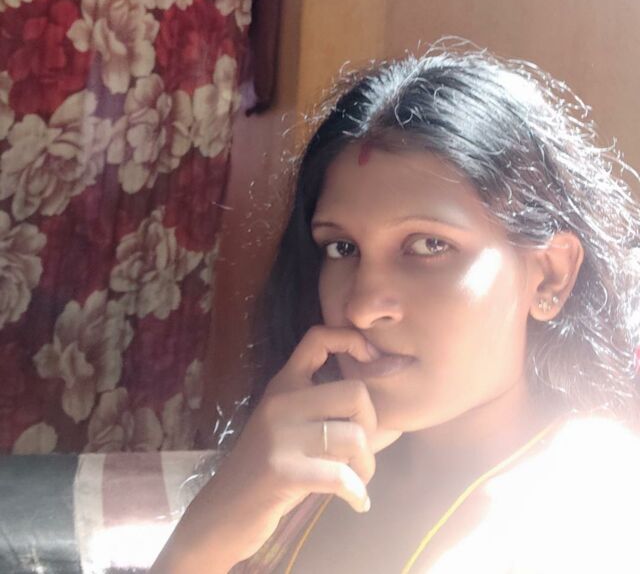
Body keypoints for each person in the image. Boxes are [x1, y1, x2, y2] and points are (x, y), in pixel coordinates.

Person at [151, 42, 640, 573]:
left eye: (429, 246)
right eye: (342, 248)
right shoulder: (300, 468)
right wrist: (206, 535)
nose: (362, 308)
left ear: (550, 275)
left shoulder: (590, 516)